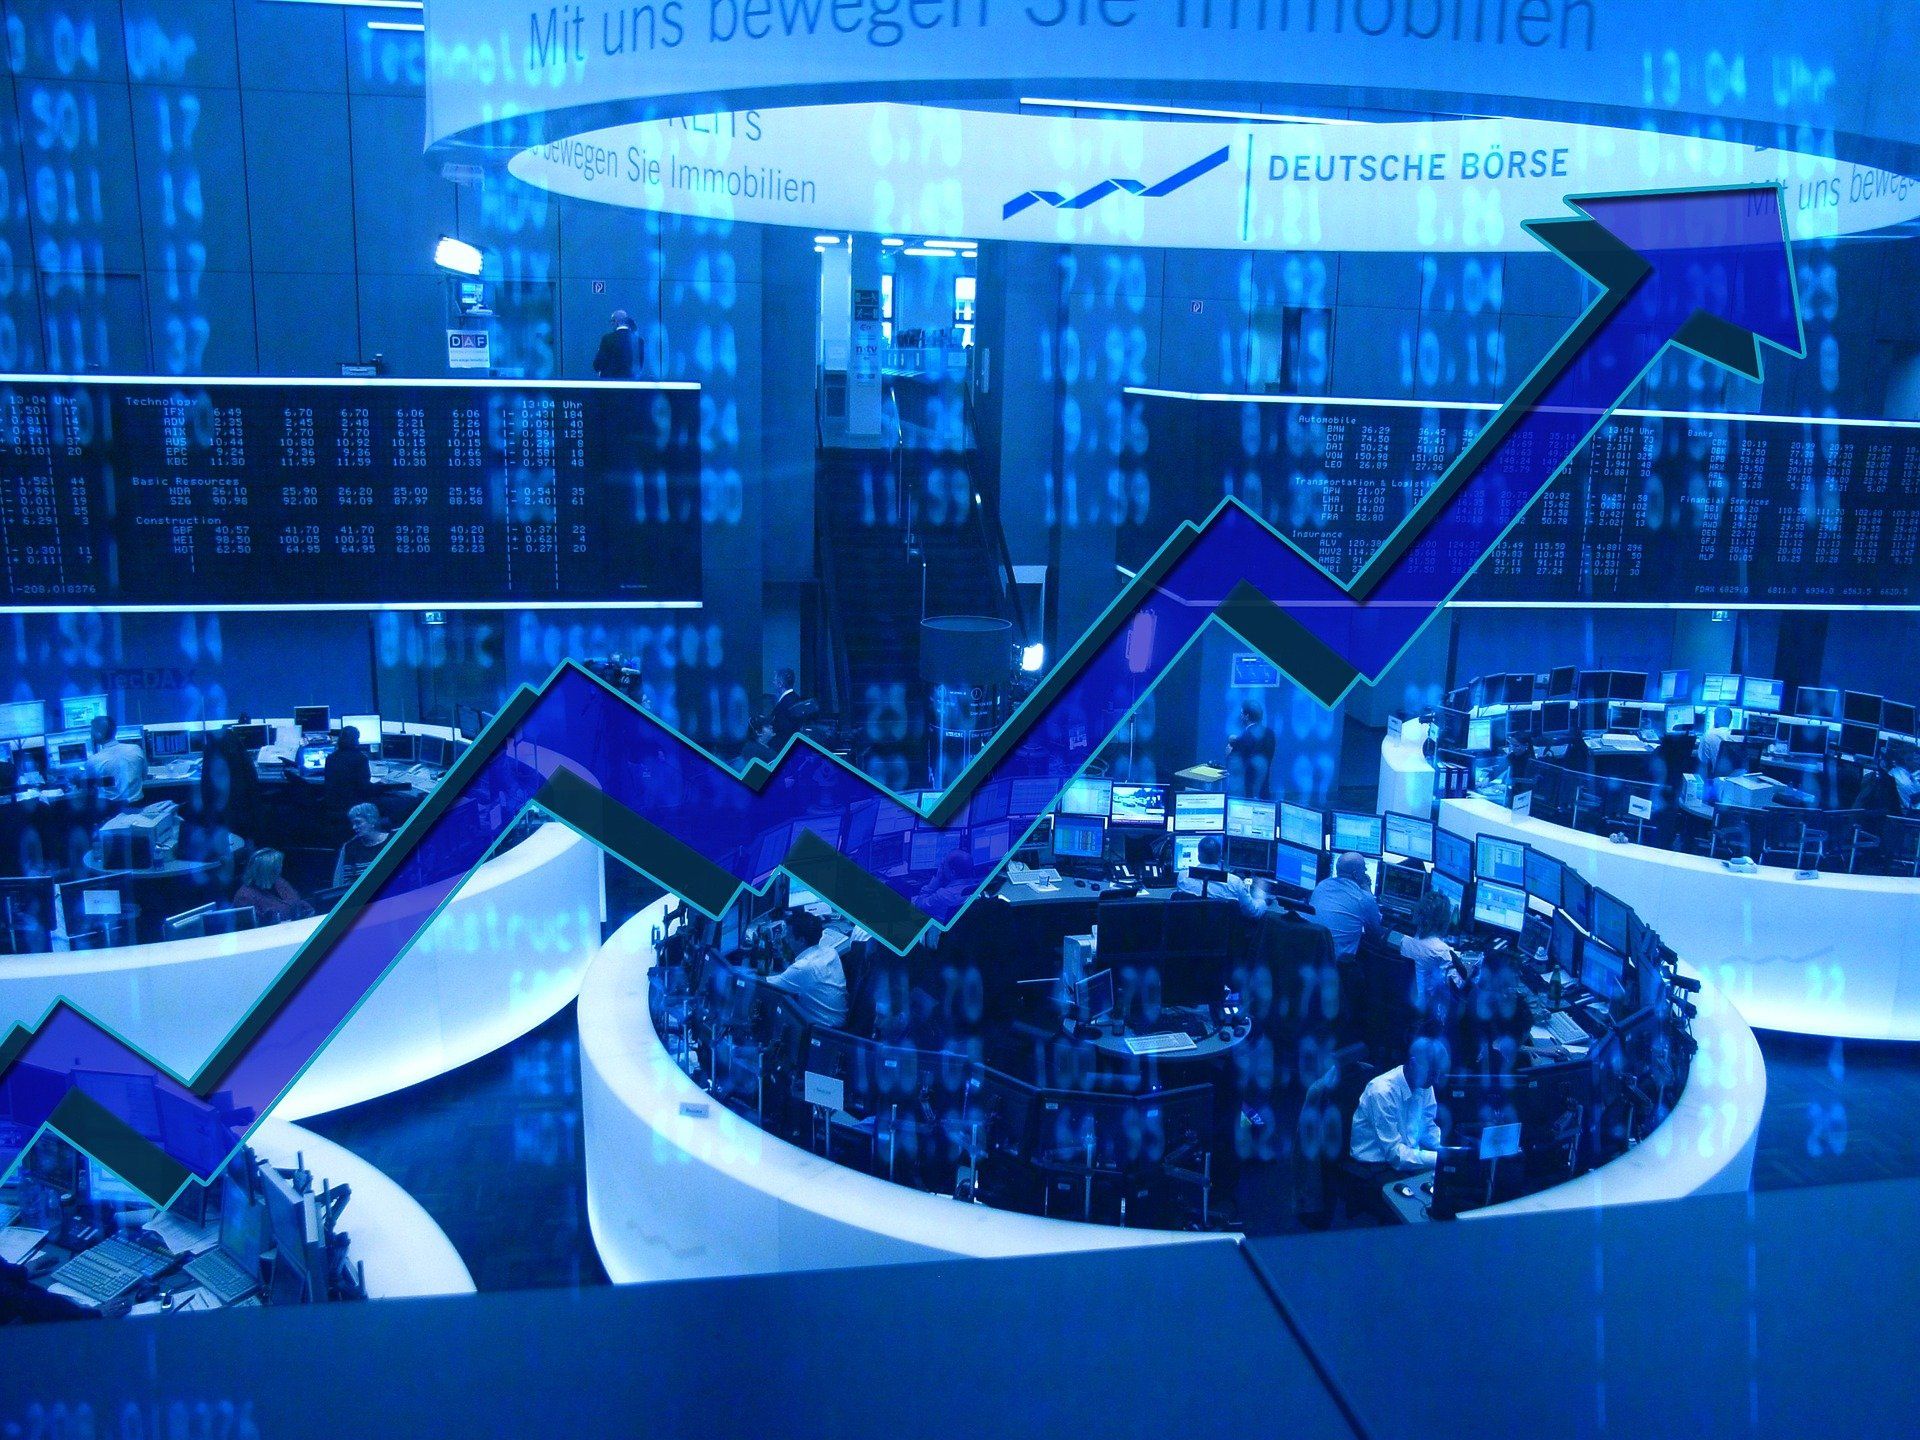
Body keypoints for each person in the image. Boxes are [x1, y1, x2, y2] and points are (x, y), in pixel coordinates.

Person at [1349, 1032, 1449, 1173]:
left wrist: (1450, 1149)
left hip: (1404, 1159)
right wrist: (1440, 1159)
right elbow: (1395, 1155)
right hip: (1373, 1167)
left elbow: (1427, 1127)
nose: (1436, 1080)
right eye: (1432, 1073)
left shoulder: (1425, 1085)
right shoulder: (1381, 1092)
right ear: (1413, 1064)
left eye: (1438, 1074)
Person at [765, 908, 848, 1028]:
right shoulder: (830, 951)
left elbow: (766, 985)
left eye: (789, 936)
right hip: (838, 1020)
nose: (786, 939)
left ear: (802, 940)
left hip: (823, 1031)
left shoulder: (804, 968)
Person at [1308, 851, 1385, 959]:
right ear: (1355, 874)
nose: (1366, 871)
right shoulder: (1364, 898)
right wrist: (1367, 889)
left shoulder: (1322, 885)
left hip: (1309, 955)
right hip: (1336, 963)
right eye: (1364, 869)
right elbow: (1376, 936)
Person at [1398, 890, 1460, 1013]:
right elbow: (1456, 985)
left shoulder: (1404, 941)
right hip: (1427, 1009)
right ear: (1444, 921)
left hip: (1404, 1002)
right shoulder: (1442, 951)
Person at [1176, 834, 1267, 917]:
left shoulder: (1182, 876)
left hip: (1190, 929)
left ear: (1198, 856)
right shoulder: (1234, 882)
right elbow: (1254, 913)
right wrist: (1262, 899)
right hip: (1223, 930)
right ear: (1219, 856)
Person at [234, 848, 314, 925]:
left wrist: (305, 909)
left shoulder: (280, 882)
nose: (280, 869)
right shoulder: (244, 896)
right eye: (277, 866)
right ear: (266, 870)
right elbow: (251, 928)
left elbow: (297, 902)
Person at [80, 715, 146, 808]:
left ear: (98, 734)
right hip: (138, 806)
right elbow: (144, 776)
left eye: (92, 731)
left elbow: (88, 787)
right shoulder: (136, 749)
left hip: (111, 811)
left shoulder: (93, 761)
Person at [333, 802, 390, 888]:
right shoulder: (350, 847)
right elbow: (346, 883)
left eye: (358, 822)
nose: (354, 827)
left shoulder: (394, 839)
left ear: (371, 820)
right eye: (353, 824)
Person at [1226, 700, 1274, 799]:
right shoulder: (1270, 734)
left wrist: (1229, 753)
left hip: (1247, 793)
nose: (1240, 716)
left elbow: (1237, 766)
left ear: (1246, 716)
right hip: (1264, 790)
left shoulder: (1244, 738)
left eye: (1241, 713)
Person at [323, 726, 373, 809]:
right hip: (355, 806)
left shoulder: (330, 758)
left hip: (333, 805)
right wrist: (383, 787)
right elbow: (365, 786)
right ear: (355, 740)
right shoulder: (361, 758)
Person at [592, 310, 641, 379]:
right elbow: (639, 366)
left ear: (615, 321)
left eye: (612, 321)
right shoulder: (639, 341)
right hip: (631, 382)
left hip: (610, 381)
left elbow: (598, 364)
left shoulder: (607, 339)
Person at [769, 667, 812, 745]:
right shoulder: (796, 698)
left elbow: (784, 730)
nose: (773, 682)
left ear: (780, 684)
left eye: (775, 680)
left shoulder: (785, 703)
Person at [1696, 705, 1736, 780]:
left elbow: (1703, 760)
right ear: (1730, 720)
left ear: (1716, 718)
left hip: (1717, 781)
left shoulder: (1709, 734)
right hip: (1739, 781)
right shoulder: (1738, 737)